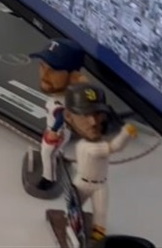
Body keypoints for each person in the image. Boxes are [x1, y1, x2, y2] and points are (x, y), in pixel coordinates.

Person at [62, 83, 137, 242]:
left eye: (98, 114)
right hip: (82, 184)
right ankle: (71, 228)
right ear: (69, 116)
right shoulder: (89, 147)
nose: (93, 122)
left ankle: (97, 240)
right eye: (85, 115)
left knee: (101, 213)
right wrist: (126, 133)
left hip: (100, 184)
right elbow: (116, 147)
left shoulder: (92, 142)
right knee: (74, 210)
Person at [28, 37, 89, 193]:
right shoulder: (59, 96)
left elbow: (62, 117)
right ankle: (56, 162)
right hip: (55, 131)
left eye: (53, 70)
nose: (44, 75)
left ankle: (49, 179)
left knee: (47, 153)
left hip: (58, 132)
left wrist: (54, 131)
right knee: (52, 152)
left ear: (74, 77)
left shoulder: (64, 103)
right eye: (42, 66)